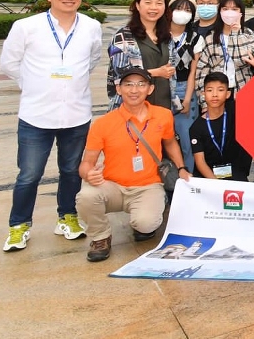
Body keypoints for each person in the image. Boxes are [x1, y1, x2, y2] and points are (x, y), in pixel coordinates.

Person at [0, 0, 105, 252]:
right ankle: (19, 226)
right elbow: (9, 63)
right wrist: (33, 84)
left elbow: (93, 59)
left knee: (71, 170)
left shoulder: (91, 27)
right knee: (29, 174)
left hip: (76, 113)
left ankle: (67, 217)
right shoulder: (26, 26)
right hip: (36, 114)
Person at [76, 66, 190, 262]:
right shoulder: (103, 123)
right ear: (119, 89)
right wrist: (88, 174)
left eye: (140, 84)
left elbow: (170, 143)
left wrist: (181, 168)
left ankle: (142, 222)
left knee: (146, 223)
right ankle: (101, 237)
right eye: (128, 85)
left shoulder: (163, 115)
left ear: (150, 89)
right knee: (86, 196)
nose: (134, 90)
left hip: (148, 186)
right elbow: (86, 163)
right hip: (112, 186)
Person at [106, 0, 176, 112]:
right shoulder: (123, 36)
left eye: (159, 3)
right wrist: (156, 72)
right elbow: (119, 73)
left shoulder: (167, 36)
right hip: (132, 105)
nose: (153, 7)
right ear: (138, 6)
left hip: (163, 104)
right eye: (148, 3)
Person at [190, 0, 254, 96]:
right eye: (225, 9)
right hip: (216, 93)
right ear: (220, 11)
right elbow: (202, 69)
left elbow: (240, 60)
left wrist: (235, 34)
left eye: (234, 9)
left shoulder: (249, 35)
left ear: (241, 12)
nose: (229, 12)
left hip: (242, 89)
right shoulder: (211, 37)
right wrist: (203, 98)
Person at [189, 72, 253, 181]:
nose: (215, 94)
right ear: (203, 94)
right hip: (209, 177)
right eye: (210, 90)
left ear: (228, 94)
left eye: (220, 90)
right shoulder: (196, 128)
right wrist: (217, 184)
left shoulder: (235, 110)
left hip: (235, 172)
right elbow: (200, 162)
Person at [167, 0, 202, 171]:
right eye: (178, 8)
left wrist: (187, 99)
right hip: (160, 89)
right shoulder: (159, 35)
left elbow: (193, 72)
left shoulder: (195, 38)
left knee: (187, 140)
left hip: (183, 90)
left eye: (188, 10)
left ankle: (188, 176)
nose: (183, 13)